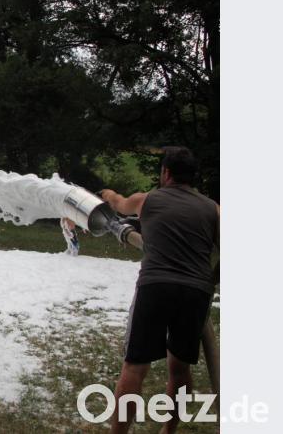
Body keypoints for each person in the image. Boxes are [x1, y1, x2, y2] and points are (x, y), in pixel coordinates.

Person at [99, 147, 219, 434]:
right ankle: (168, 430)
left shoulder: (147, 200)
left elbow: (119, 203)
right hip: (195, 292)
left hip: (155, 287)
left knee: (134, 367)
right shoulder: (214, 209)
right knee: (179, 369)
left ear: (166, 173)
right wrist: (212, 278)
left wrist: (106, 195)